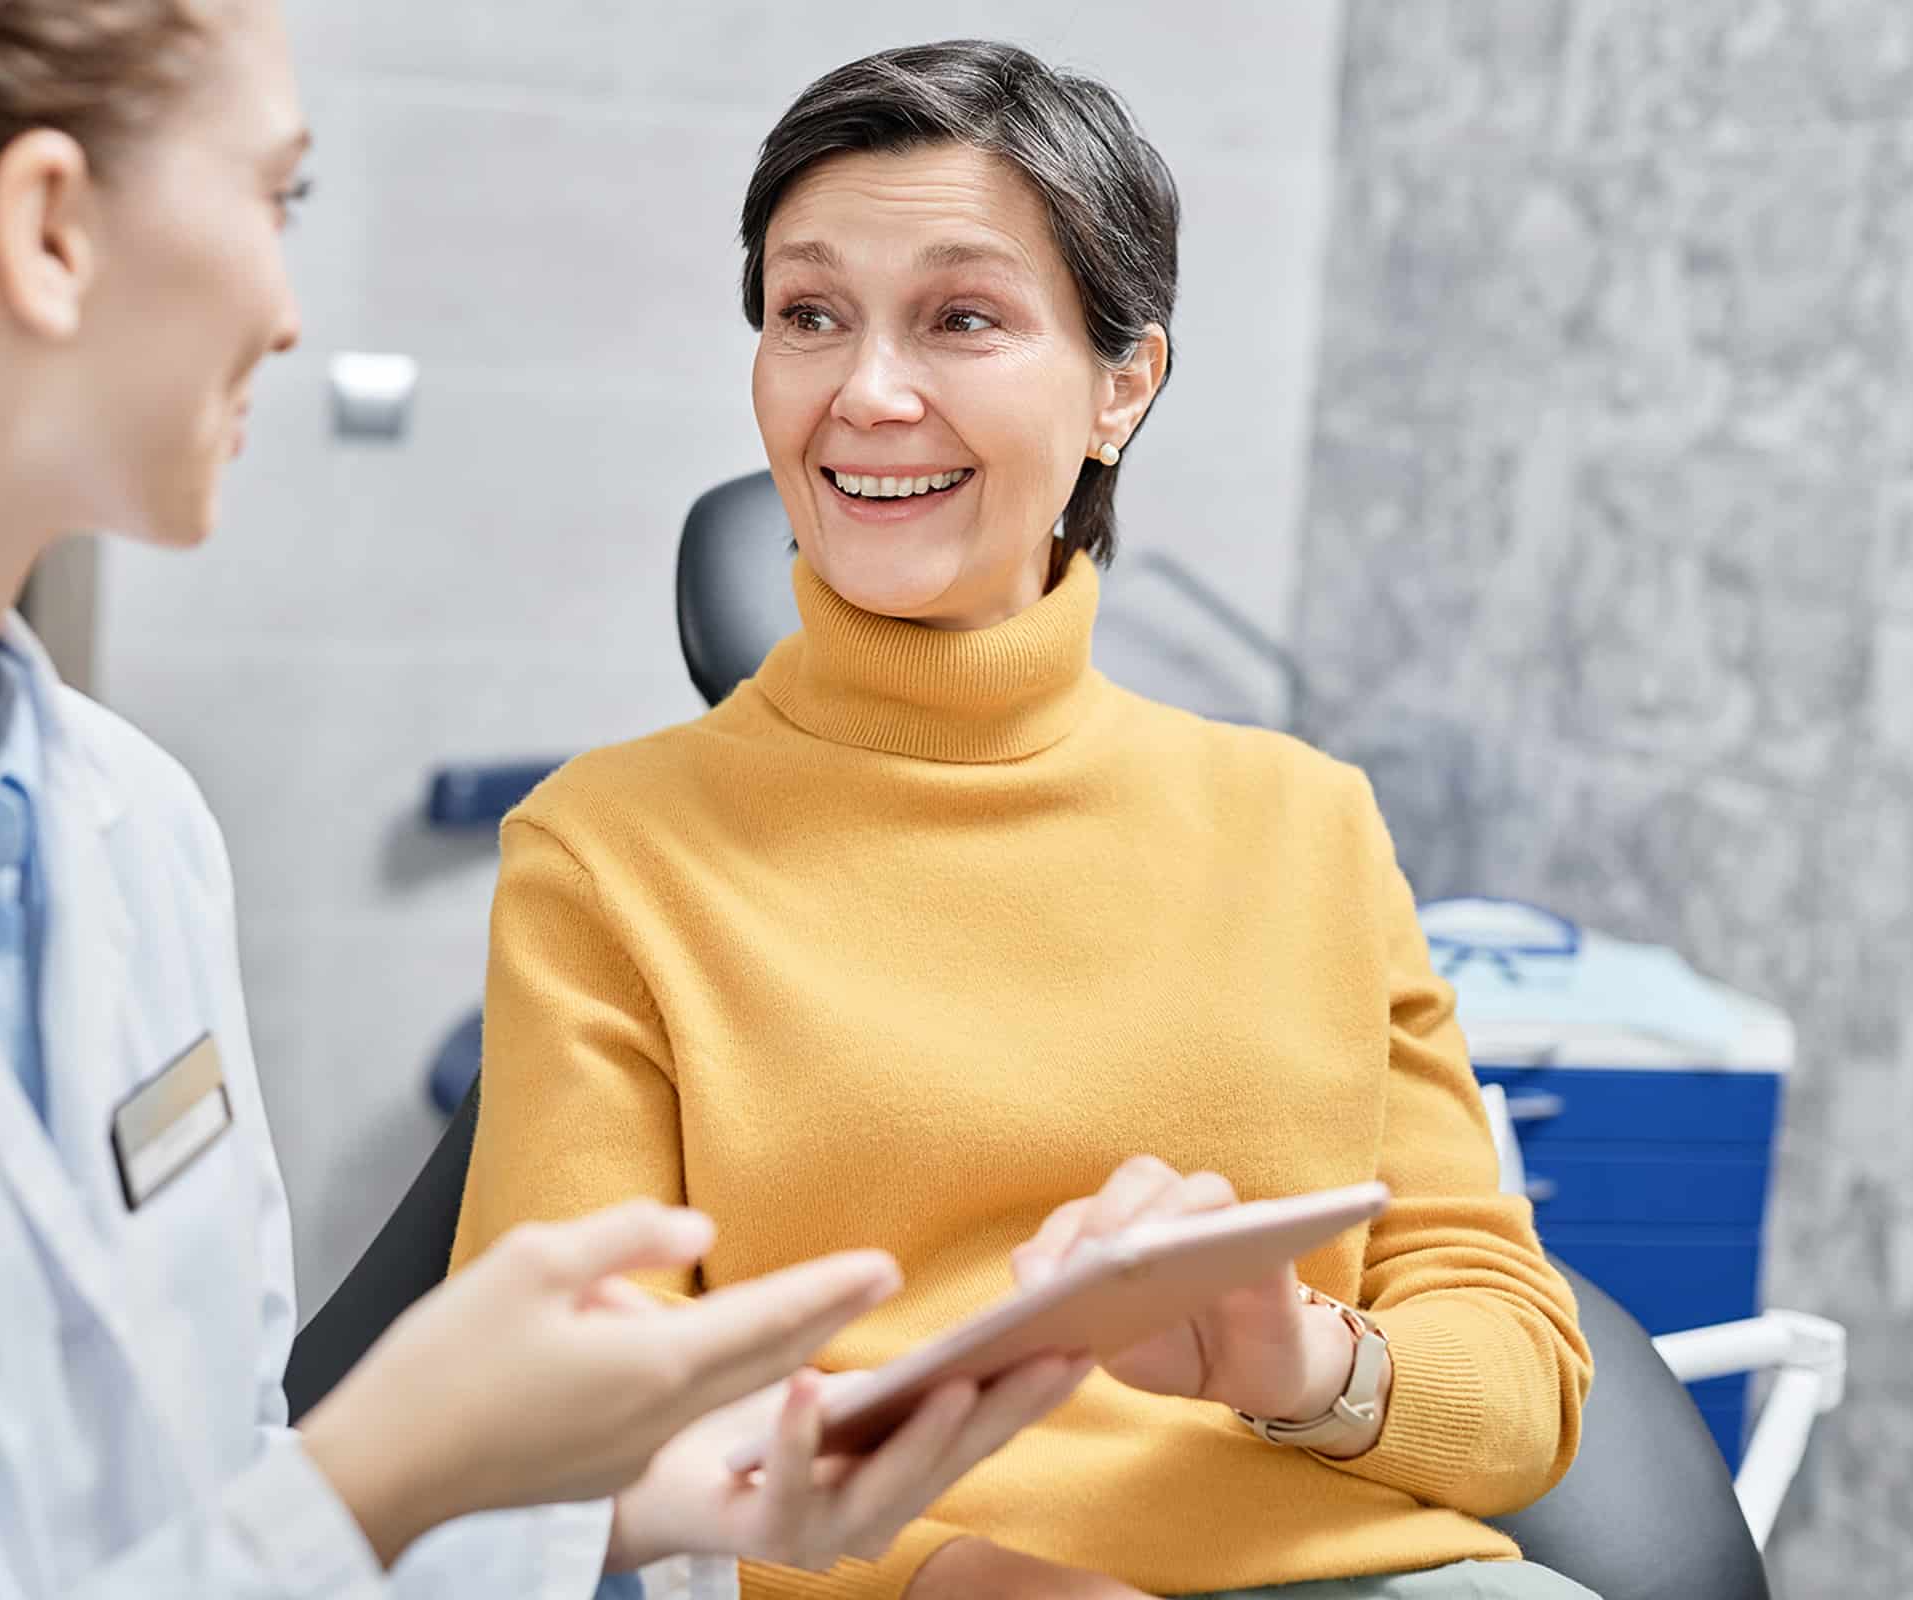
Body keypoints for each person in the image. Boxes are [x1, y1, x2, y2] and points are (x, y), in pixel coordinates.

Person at [0, 5, 1088, 1597]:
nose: (290, 314)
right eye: (275, 200)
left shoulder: (130, 831)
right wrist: (388, 1474)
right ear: (50, 231)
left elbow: (206, 1501)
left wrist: (614, 1512)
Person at [450, 38, 1597, 1600]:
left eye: (962, 317)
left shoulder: (1303, 825)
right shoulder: (611, 855)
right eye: (810, 315)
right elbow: (562, 1439)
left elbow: (1521, 1378)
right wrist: (941, 1574)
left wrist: (1306, 1363)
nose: (866, 393)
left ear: (1125, 384)